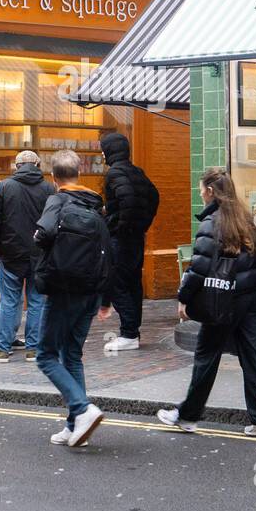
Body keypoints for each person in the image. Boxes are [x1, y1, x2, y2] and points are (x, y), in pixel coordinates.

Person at [157, 168, 256, 438]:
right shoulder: (246, 218)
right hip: (252, 299)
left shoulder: (212, 222)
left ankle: (188, 416)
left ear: (211, 191)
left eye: (201, 189)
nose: (200, 194)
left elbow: (199, 267)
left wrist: (184, 299)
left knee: (206, 357)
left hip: (223, 300)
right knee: (255, 356)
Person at [32, 150, 113, 447]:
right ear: (79, 174)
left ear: (54, 178)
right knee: (73, 354)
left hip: (64, 290)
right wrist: (106, 297)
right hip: (91, 291)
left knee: (46, 355)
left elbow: (43, 234)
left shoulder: (57, 200)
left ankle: (82, 408)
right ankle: (73, 426)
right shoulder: (94, 203)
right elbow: (107, 249)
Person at [0, 150, 54, 363]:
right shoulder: (48, 188)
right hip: (38, 253)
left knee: (9, 302)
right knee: (36, 301)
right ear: (37, 165)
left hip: (10, 254)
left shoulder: (4, 187)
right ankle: (33, 349)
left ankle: (3, 350)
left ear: (17, 166)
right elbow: (53, 221)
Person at [99, 131, 160, 352]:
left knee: (117, 283)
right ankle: (131, 331)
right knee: (132, 282)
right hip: (135, 238)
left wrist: (117, 224)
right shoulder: (137, 171)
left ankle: (129, 334)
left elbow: (128, 200)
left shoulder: (114, 173)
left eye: (103, 150)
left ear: (109, 151)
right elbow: (153, 196)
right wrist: (142, 224)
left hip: (122, 239)